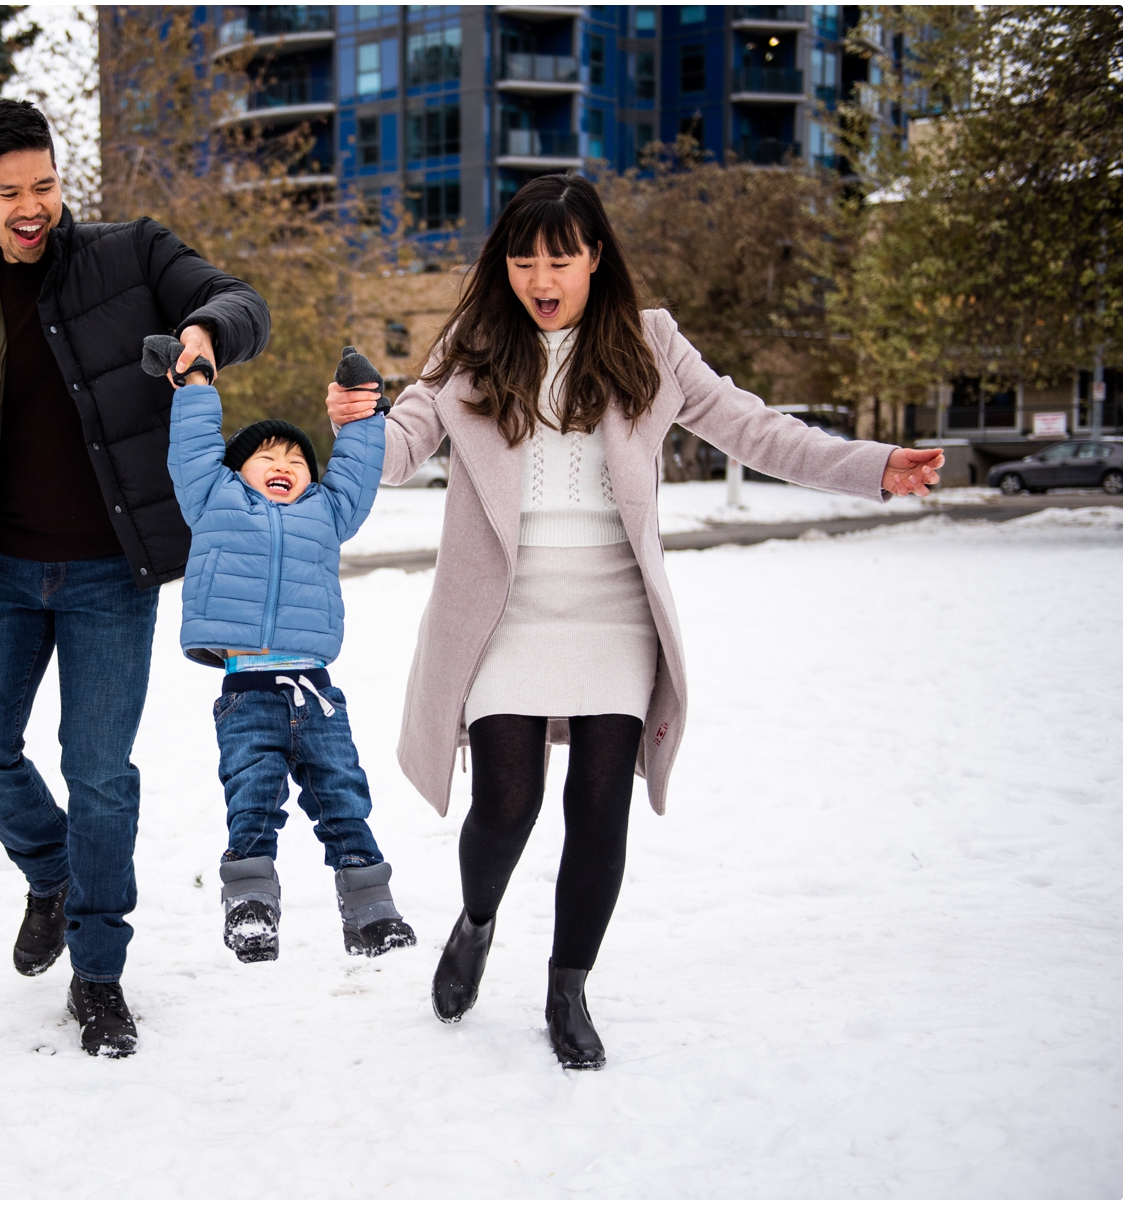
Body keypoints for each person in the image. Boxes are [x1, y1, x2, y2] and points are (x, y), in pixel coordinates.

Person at [324, 174, 943, 1070]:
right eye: (524, 256)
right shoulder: (473, 345)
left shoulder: (650, 344)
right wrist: (357, 423)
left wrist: (875, 466)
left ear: (595, 258)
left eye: (561, 257)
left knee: (600, 808)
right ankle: (479, 916)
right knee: (506, 802)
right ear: (504, 264)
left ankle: (568, 983)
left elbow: (757, 430)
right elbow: (403, 441)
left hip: (614, 610)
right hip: (504, 609)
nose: (542, 275)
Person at [0, 100, 271, 1059]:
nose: (31, 207)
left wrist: (207, 334)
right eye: (8, 192)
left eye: (44, 186)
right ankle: (49, 872)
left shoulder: (131, 255)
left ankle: (98, 973)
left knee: (100, 775)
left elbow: (241, 302)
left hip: (107, 574)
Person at [150, 339, 417, 965]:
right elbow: (191, 454)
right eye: (266, 455)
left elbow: (353, 468)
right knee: (253, 798)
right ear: (234, 469)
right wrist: (194, 387)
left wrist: (359, 416)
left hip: (316, 691)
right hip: (247, 693)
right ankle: (250, 910)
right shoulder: (213, 502)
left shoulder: (327, 512)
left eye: (296, 457)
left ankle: (372, 913)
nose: (284, 462)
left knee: (344, 797)